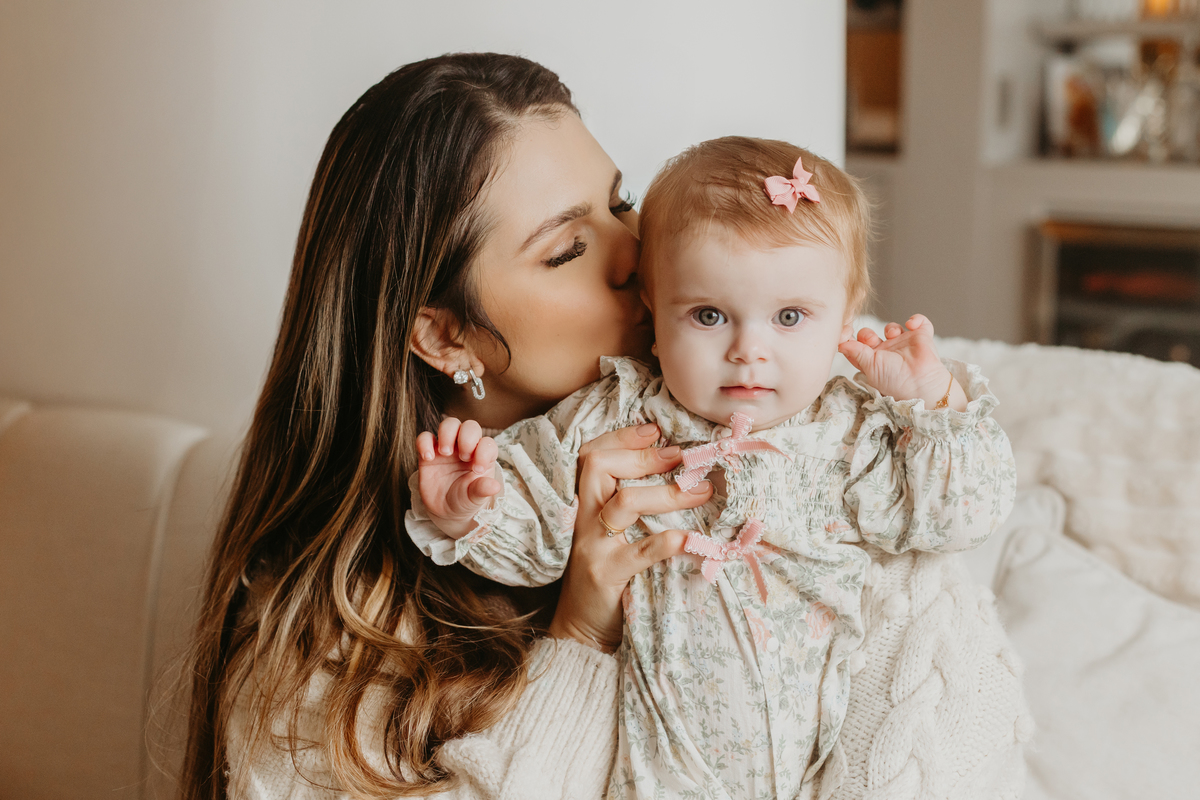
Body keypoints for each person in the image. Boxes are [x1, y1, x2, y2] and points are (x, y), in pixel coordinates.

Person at [183, 53, 1028, 800]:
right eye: (565, 249)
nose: (634, 253)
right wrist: (583, 635)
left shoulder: (842, 466)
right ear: (445, 334)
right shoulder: (331, 628)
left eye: (620, 203)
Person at [407, 138, 1017, 799]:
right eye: (708, 315)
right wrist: (472, 505)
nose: (749, 350)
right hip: (653, 775)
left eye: (789, 317)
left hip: (812, 771)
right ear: (653, 305)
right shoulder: (613, 415)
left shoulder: (852, 433)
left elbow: (956, 517)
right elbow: (541, 536)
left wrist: (937, 408)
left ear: (846, 315)